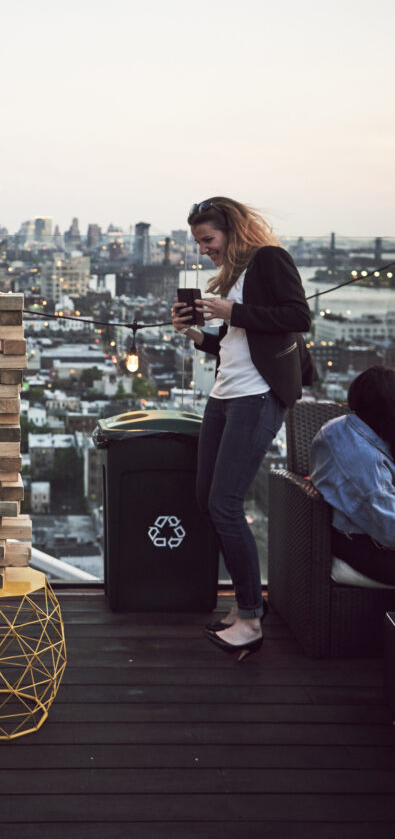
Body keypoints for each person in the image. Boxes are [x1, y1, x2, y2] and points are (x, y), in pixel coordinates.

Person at [171, 197, 311, 658]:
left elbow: (296, 317)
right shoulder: (235, 275)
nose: (204, 250)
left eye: (208, 240)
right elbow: (234, 343)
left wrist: (230, 311)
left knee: (225, 503)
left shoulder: (270, 259)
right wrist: (196, 334)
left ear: (231, 229)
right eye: (199, 243)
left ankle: (250, 617)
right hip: (225, 394)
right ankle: (244, 607)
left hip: (256, 396)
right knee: (207, 500)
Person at [310, 366, 395, 585]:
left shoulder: (340, 427)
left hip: (358, 534)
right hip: (366, 546)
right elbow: (390, 528)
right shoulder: (366, 461)